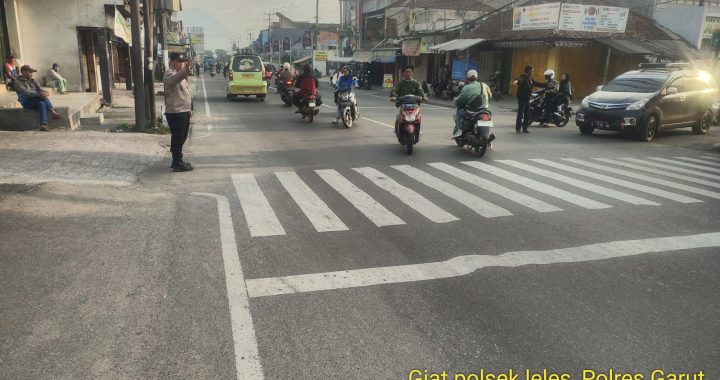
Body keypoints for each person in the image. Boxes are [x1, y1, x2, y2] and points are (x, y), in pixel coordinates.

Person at [163, 52, 193, 172]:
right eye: (179, 61)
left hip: (183, 110)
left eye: (183, 61)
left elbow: (186, 93)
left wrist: (189, 109)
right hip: (175, 111)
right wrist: (185, 71)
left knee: (182, 137)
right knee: (177, 138)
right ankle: (177, 162)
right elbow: (175, 80)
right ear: (172, 62)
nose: (181, 64)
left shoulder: (181, 74)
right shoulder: (169, 73)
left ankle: (178, 160)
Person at [15, 65, 61, 131]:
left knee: (41, 103)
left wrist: (44, 92)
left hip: (37, 100)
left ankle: (43, 125)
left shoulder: (33, 80)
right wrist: (38, 94)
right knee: (41, 97)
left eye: (32, 72)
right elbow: (26, 93)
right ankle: (52, 111)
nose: (31, 74)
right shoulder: (17, 82)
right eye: (30, 72)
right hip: (26, 102)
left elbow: (40, 89)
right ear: (23, 72)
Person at [452, 70, 490, 138]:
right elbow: (490, 95)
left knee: (459, 113)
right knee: (487, 120)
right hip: (484, 110)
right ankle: (488, 136)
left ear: (468, 78)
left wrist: (455, 101)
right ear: (477, 77)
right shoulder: (484, 85)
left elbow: (460, 100)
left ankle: (459, 130)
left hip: (471, 111)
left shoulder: (466, 87)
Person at [513, 64, 547, 133]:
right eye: (532, 71)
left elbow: (537, 83)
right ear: (528, 71)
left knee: (527, 115)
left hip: (528, 99)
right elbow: (519, 80)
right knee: (520, 114)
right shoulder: (523, 77)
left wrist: (546, 84)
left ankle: (525, 129)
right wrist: (516, 81)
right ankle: (518, 129)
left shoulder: (530, 79)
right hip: (522, 99)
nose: (532, 72)